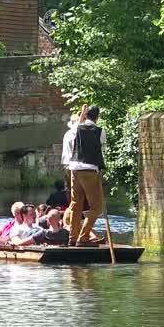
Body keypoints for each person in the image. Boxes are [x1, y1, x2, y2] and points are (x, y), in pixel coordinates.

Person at [62, 104, 107, 246]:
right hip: (90, 170)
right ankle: (83, 238)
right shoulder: (100, 131)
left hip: (74, 169)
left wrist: (82, 113)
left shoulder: (76, 129)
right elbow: (101, 149)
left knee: (76, 205)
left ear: (86, 116)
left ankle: (72, 238)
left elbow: (77, 128)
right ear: (97, 117)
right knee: (96, 207)